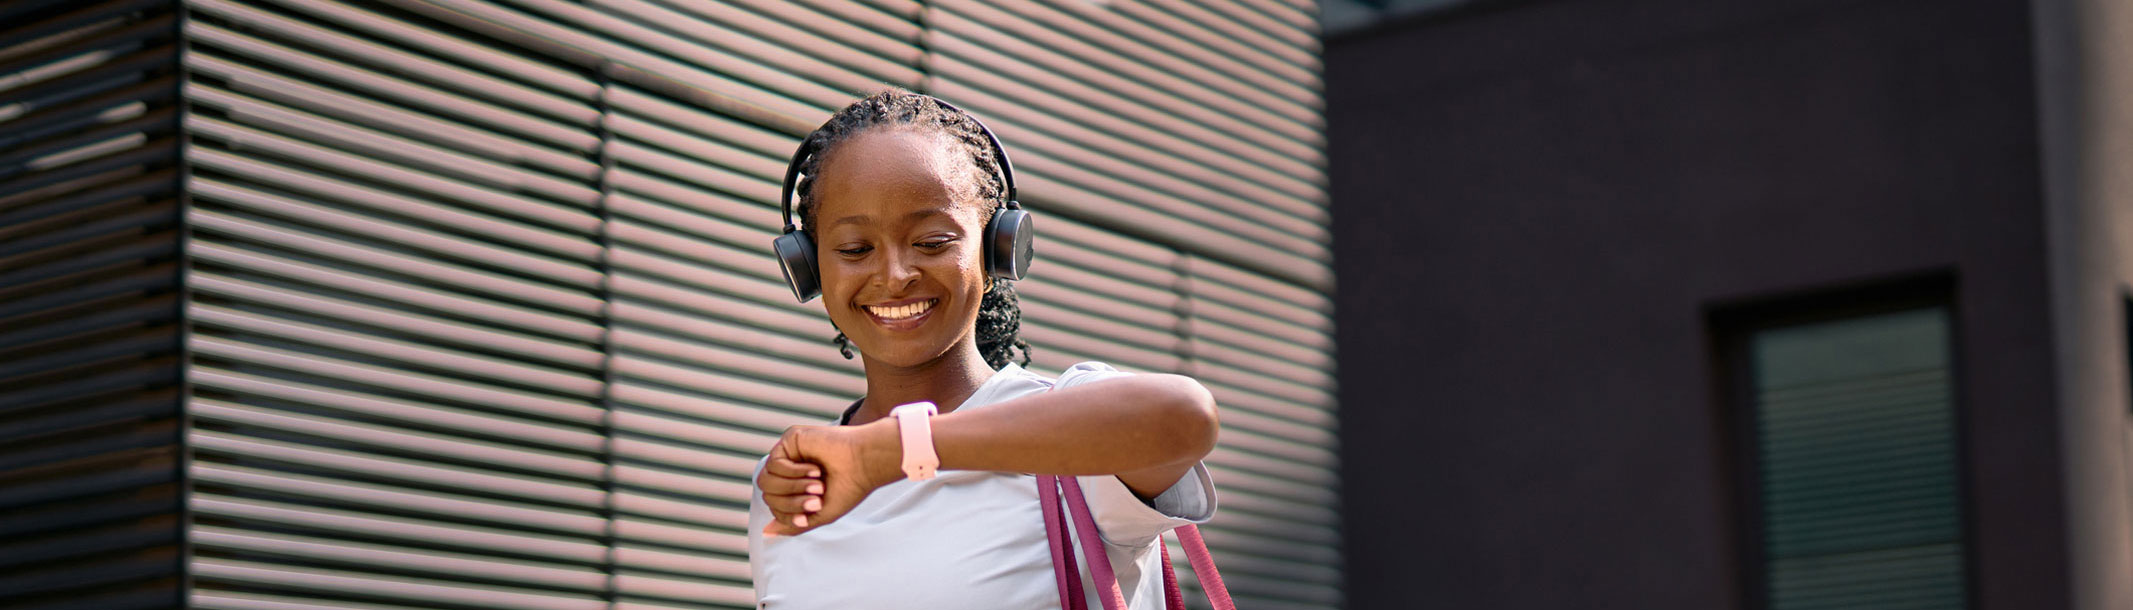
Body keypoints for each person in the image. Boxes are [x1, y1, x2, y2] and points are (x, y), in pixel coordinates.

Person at [746, 90, 1222, 609]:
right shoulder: (791, 484)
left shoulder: (1069, 426)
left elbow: (1185, 416)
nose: (895, 275)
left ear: (997, 250)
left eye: (932, 241)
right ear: (811, 268)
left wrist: (888, 452)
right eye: (855, 250)